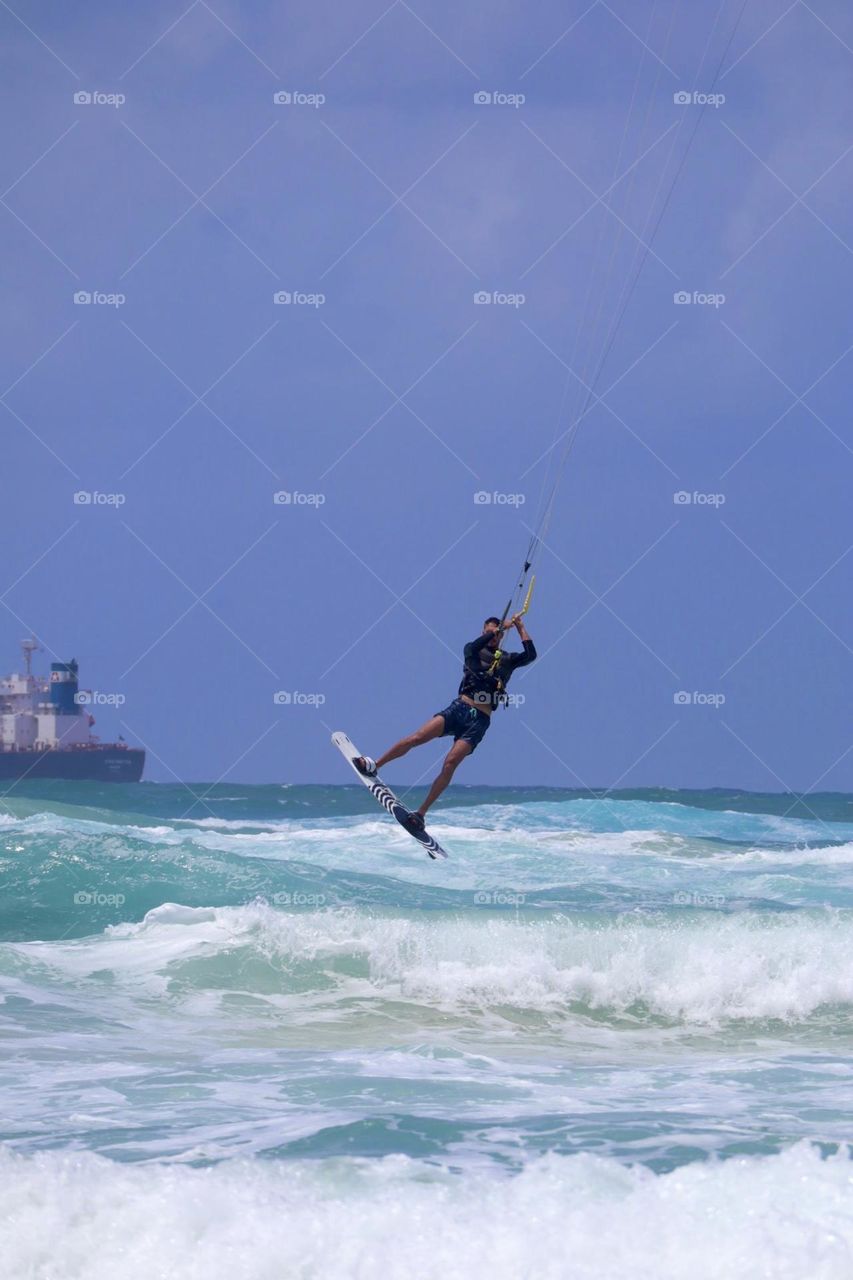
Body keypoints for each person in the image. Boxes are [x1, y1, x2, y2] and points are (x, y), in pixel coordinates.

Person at [355, 613, 536, 830]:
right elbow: (477, 644)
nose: (492, 637)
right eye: (487, 632)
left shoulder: (507, 660)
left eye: (495, 634)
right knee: (417, 737)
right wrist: (497, 630)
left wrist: (519, 626)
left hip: (479, 721)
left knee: (450, 763)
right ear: (482, 632)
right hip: (459, 708)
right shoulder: (471, 650)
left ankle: (420, 814)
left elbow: (531, 655)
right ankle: (375, 764)